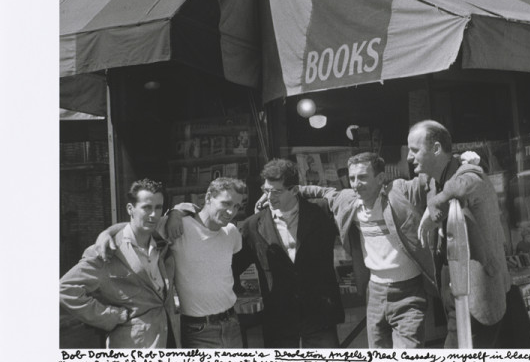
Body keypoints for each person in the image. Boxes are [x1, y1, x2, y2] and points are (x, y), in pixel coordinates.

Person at [171, 159, 344, 347]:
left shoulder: (322, 212)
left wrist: (305, 190)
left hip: (320, 318)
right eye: (266, 190)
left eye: (276, 191)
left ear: (294, 190)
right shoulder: (253, 225)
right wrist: (177, 211)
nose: (269, 197)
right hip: (279, 322)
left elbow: (349, 196)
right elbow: (230, 268)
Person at [287, 152, 438, 348]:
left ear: (381, 178)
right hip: (374, 293)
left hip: (409, 292)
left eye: (363, 177)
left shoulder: (399, 190)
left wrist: (465, 162)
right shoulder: (348, 201)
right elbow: (322, 192)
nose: (356, 183)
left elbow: (431, 179)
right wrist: (284, 192)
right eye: (352, 178)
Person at [94, 177, 247, 348]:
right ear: (209, 197)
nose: (231, 212)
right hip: (199, 330)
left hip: (232, 323)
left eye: (236, 206)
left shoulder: (231, 232)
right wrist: (106, 233)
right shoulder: (179, 227)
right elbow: (136, 226)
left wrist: (177, 210)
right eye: (226, 203)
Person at [409, 119, 512, 349]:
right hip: (454, 298)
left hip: (478, 299)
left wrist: (435, 204)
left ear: (436, 148)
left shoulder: (470, 172)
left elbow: (467, 182)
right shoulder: (433, 181)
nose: (409, 156)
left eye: (415, 150)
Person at [60, 179, 180, 348]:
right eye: (146, 207)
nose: (153, 214)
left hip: (169, 340)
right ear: (130, 209)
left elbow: (190, 209)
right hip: (132, 344)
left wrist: (175, 212)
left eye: (158, 207)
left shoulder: (161, 243)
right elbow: (65, 290)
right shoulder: (108, 250)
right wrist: (112, 316)